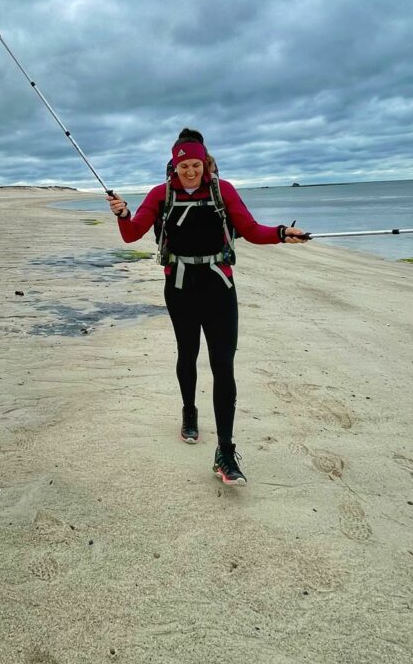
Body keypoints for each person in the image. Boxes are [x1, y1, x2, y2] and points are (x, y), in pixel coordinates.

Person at [108, 129, 310, 486]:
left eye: (196, 164)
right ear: (174, 165)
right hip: (181, 288)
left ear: (205, 162)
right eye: (184, 165)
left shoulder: (222, 190)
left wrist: (281, 233)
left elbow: (249, 229)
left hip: (219, 287)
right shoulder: (161, 194)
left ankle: (226, 451)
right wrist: (123, 213)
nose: (190, 171)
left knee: (223, 365)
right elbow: (132, 233)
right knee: (187, 354)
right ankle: (189, 412)